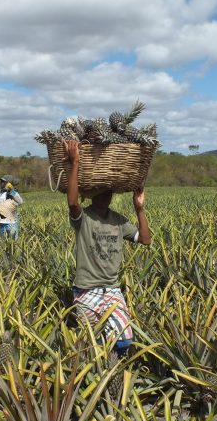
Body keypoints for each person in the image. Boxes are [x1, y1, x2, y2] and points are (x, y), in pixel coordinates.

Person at [63, 139, 152, 356]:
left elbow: (146, 240)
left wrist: (139, 209)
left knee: (124, 341)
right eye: (100, 191)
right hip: (86, 289)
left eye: (108, 191)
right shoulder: (83, 218)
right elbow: (73, 203)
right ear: (92, 193)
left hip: (112, 289)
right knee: (87, 343)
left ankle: (114, 372)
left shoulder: (119, 221)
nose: (106, 195)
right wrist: (75, 163)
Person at [0, 174, 24, 239]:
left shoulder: (13, 193)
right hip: (2, 222)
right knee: (2, 243)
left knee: (14, 243)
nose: (1, 183)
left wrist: (12, 191)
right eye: (1, 181)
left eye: (3, 182)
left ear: (8, 184)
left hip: (12, 223)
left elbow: (20, 202)